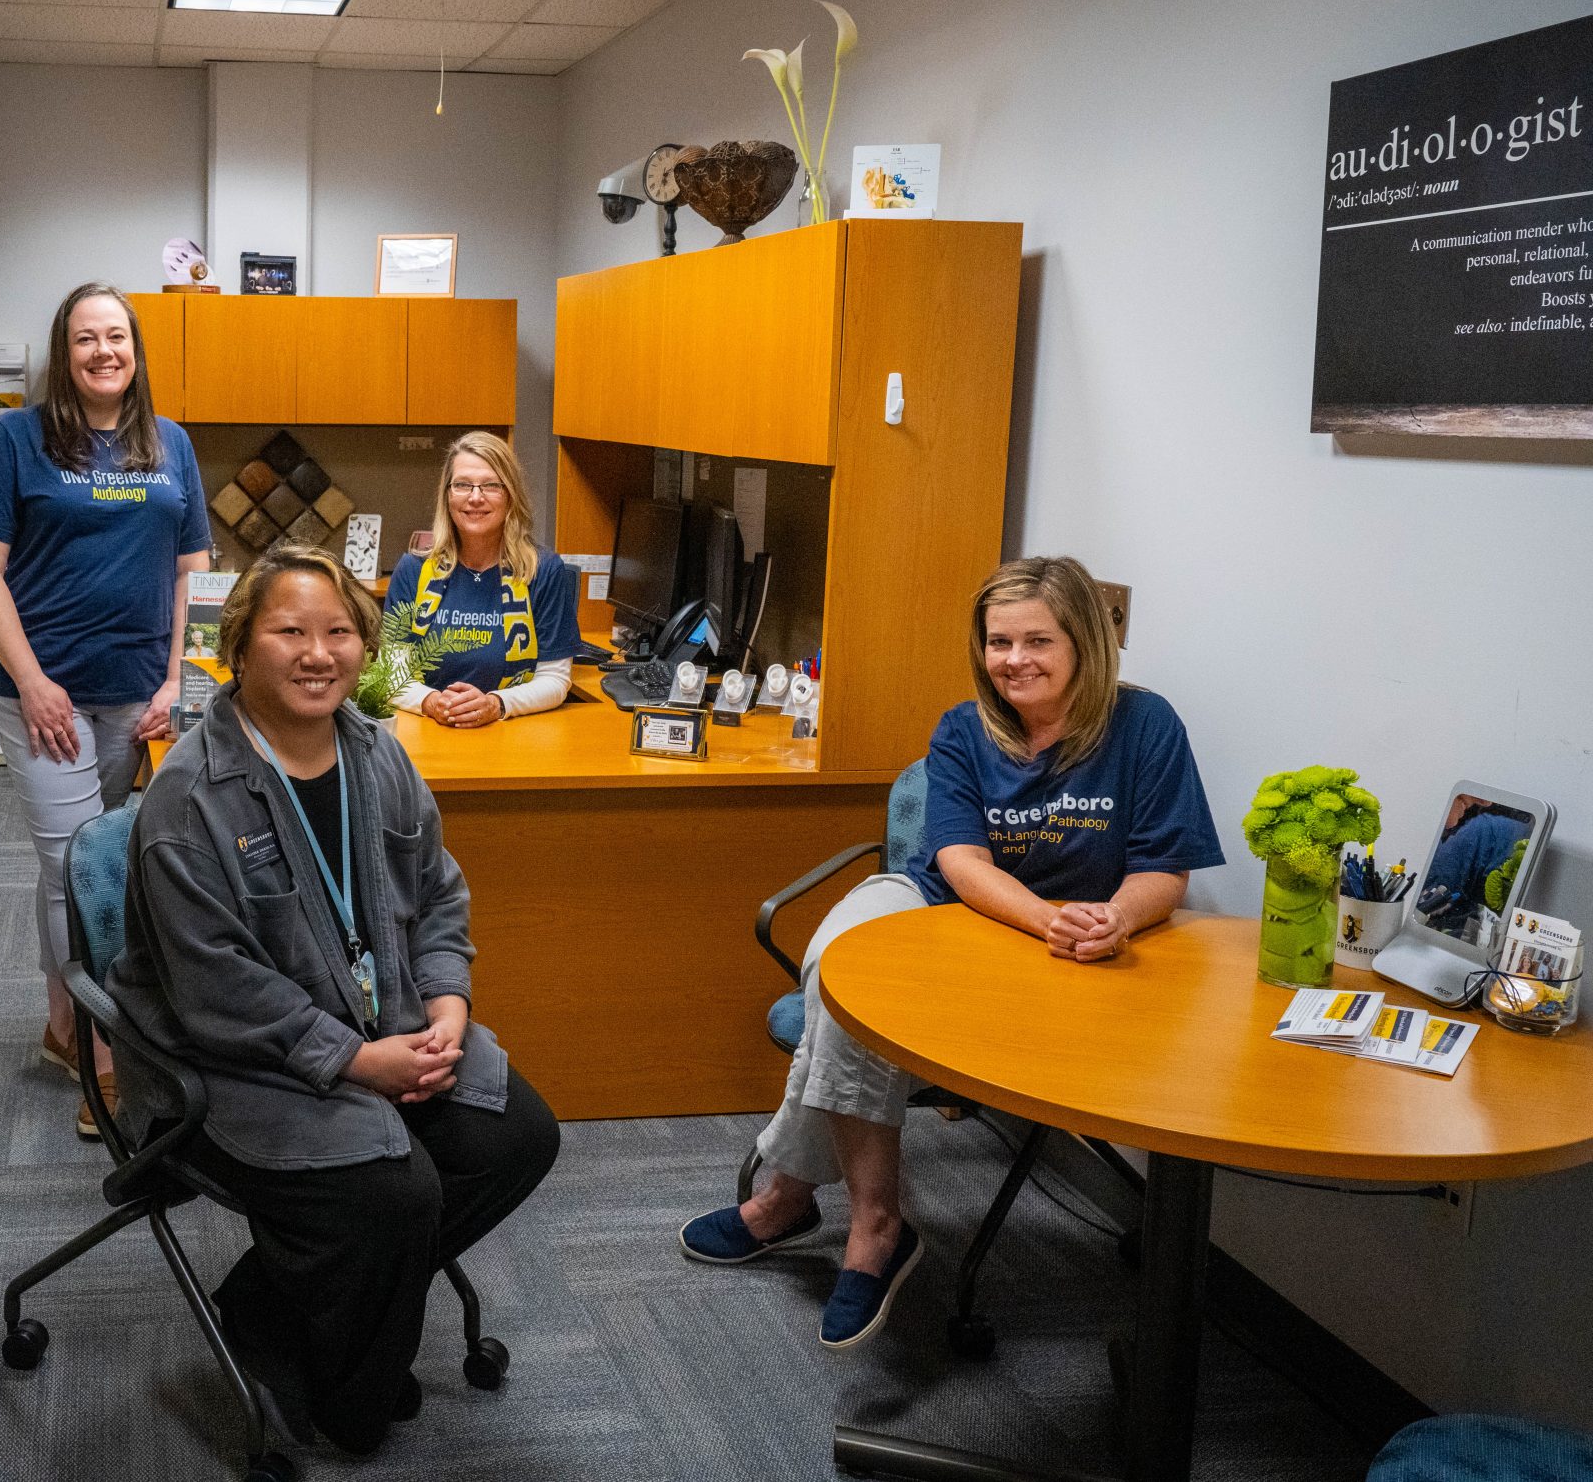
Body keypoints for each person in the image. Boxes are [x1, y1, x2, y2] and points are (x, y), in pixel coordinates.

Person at [677, 556, 1221, 1349]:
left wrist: (1116, 919)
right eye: (999, 641)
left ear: (1083, 644)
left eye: (1038, 639)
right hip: (949, 903)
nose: (1015, 659)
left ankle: (792, 1196)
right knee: (838, 965)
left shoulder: (1147, 726)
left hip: (1074, 942)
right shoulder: (966, 727)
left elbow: (1161, 869)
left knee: (849, 1015)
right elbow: (963, 863)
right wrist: (1045, 917)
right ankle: (876, 1217)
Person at [110, 545, 561, 1454]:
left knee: (518, 1132)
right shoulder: (188, 798)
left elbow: (438, 894)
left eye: (340, 632)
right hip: (232, 1064)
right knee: (394, 1197)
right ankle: (347, 1402)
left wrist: (447, 1009)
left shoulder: (377, 754)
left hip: (387, 1024)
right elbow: (215, 991)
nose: (319, 653)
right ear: (240, 646)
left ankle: (269, 1297)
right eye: (290, 632)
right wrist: (357, 1062)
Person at [0, 281, 211, 1136]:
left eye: (116, 337)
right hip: (44, 695)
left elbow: (193, 577)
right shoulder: (17, 440)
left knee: (91, 864)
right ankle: (108, 1065)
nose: (104, 352)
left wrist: (179, 682)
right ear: (63, 353)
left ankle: (64, 1023)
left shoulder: (170, 444)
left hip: (142, 695)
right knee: (80, 868)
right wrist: (30, 679)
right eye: (84, 339)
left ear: (135, 349)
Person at [380, 432, 578, 728]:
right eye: (462, 485)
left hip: (509, 736)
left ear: (510, 495)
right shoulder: (414, 569)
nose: (475, 497)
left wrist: (496, 704)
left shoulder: (543, 570)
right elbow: (390, 672)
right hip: (427, 732)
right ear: (447, 495)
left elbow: (555, 679)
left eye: (491, 486)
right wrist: (432, 702)